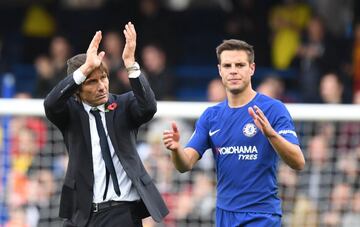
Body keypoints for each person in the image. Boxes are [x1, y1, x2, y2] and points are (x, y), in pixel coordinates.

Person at [162, 39, 305, 226]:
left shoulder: (273, 109)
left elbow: (298, 162)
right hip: (225, 216)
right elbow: (184, 164)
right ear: (220, 70)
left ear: (252, 68)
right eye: (227, 65)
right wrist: (175, 149)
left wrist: (271, 134)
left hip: (261, 215)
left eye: (240, 65)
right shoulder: (211, 116)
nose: (233, 71)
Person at [44, 22, 168, 227]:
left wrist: (130, 64)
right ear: (77, 89)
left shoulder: (123, 104)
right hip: (81, 215)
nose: (102, 86)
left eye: (104, 78)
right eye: (92, 81)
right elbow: (50, 104)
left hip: (122, 212)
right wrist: (84, 70)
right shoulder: (70, 113)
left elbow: (148, 108)